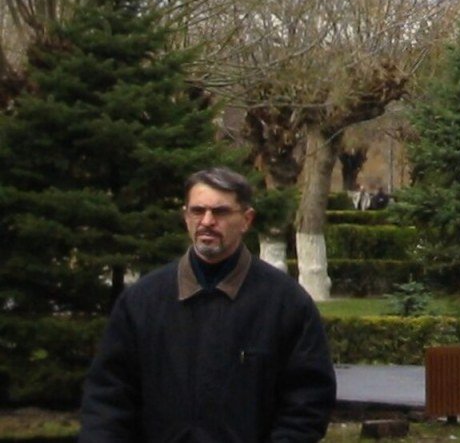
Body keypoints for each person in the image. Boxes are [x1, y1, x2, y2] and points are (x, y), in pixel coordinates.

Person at [79, 166, 336, 443]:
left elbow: (308, 402)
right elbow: (108, 398)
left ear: (246, 219)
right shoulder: (142, 301)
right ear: (185, 216)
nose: (207, 221)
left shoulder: (286, 303)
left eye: (221, 212)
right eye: (197, 211)